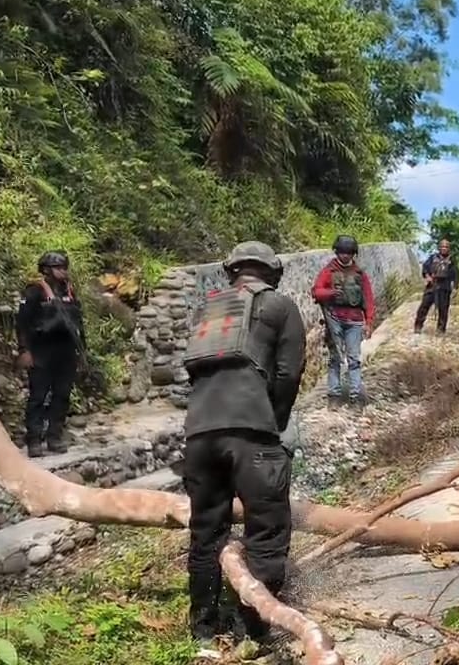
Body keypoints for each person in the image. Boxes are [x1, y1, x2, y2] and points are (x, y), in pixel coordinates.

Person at [181, 241, 306, 648]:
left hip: (199, 434)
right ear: (272, 272)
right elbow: (288, 373)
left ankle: (203, 627)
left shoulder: (208, 308)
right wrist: (276, 420)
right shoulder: (280, 307)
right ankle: (252, 629)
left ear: (231, 271)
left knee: (206, 531)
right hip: (251, 432)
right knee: (266, 528)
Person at [15, 251, 86, 458]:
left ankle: (55, 436)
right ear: (47, 270)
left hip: (66, 351)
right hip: (41, 351)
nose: (63, 272)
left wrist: (82, 352)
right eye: (59, 268)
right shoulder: (35, 292)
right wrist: (24, 350)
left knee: (62, 396)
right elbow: (21, 324)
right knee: (38, 396)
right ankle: (34, 440)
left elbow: (79, 324)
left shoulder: (70, 292)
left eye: (65, 268)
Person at [311, 235, 376, 405]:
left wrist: (369, 322)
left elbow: (368, 299)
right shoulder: (328, 271)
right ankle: (334, 396)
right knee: (335, 359)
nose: (344, 255)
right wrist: (331, 293)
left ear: (353, 254)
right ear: (337, 252)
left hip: (354, 322)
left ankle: (355, 396)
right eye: (341, 252)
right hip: (334, 320)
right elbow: (316, 292)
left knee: (354, 359)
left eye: (348, 252)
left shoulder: (359, 274)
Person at [414, 239, 459, 334]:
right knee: (424, 307)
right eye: (442, 246)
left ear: (449, 248)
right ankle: (418, 326)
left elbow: (456, 274)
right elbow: (425, 268)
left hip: (444, 286)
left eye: (446, 247)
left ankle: (441, 329)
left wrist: (455, 287)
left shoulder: (452, 260)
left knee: (443, 309)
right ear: (439, 247)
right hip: (432, 285)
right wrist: (427, 277)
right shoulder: (432, 258)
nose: (444, 248)